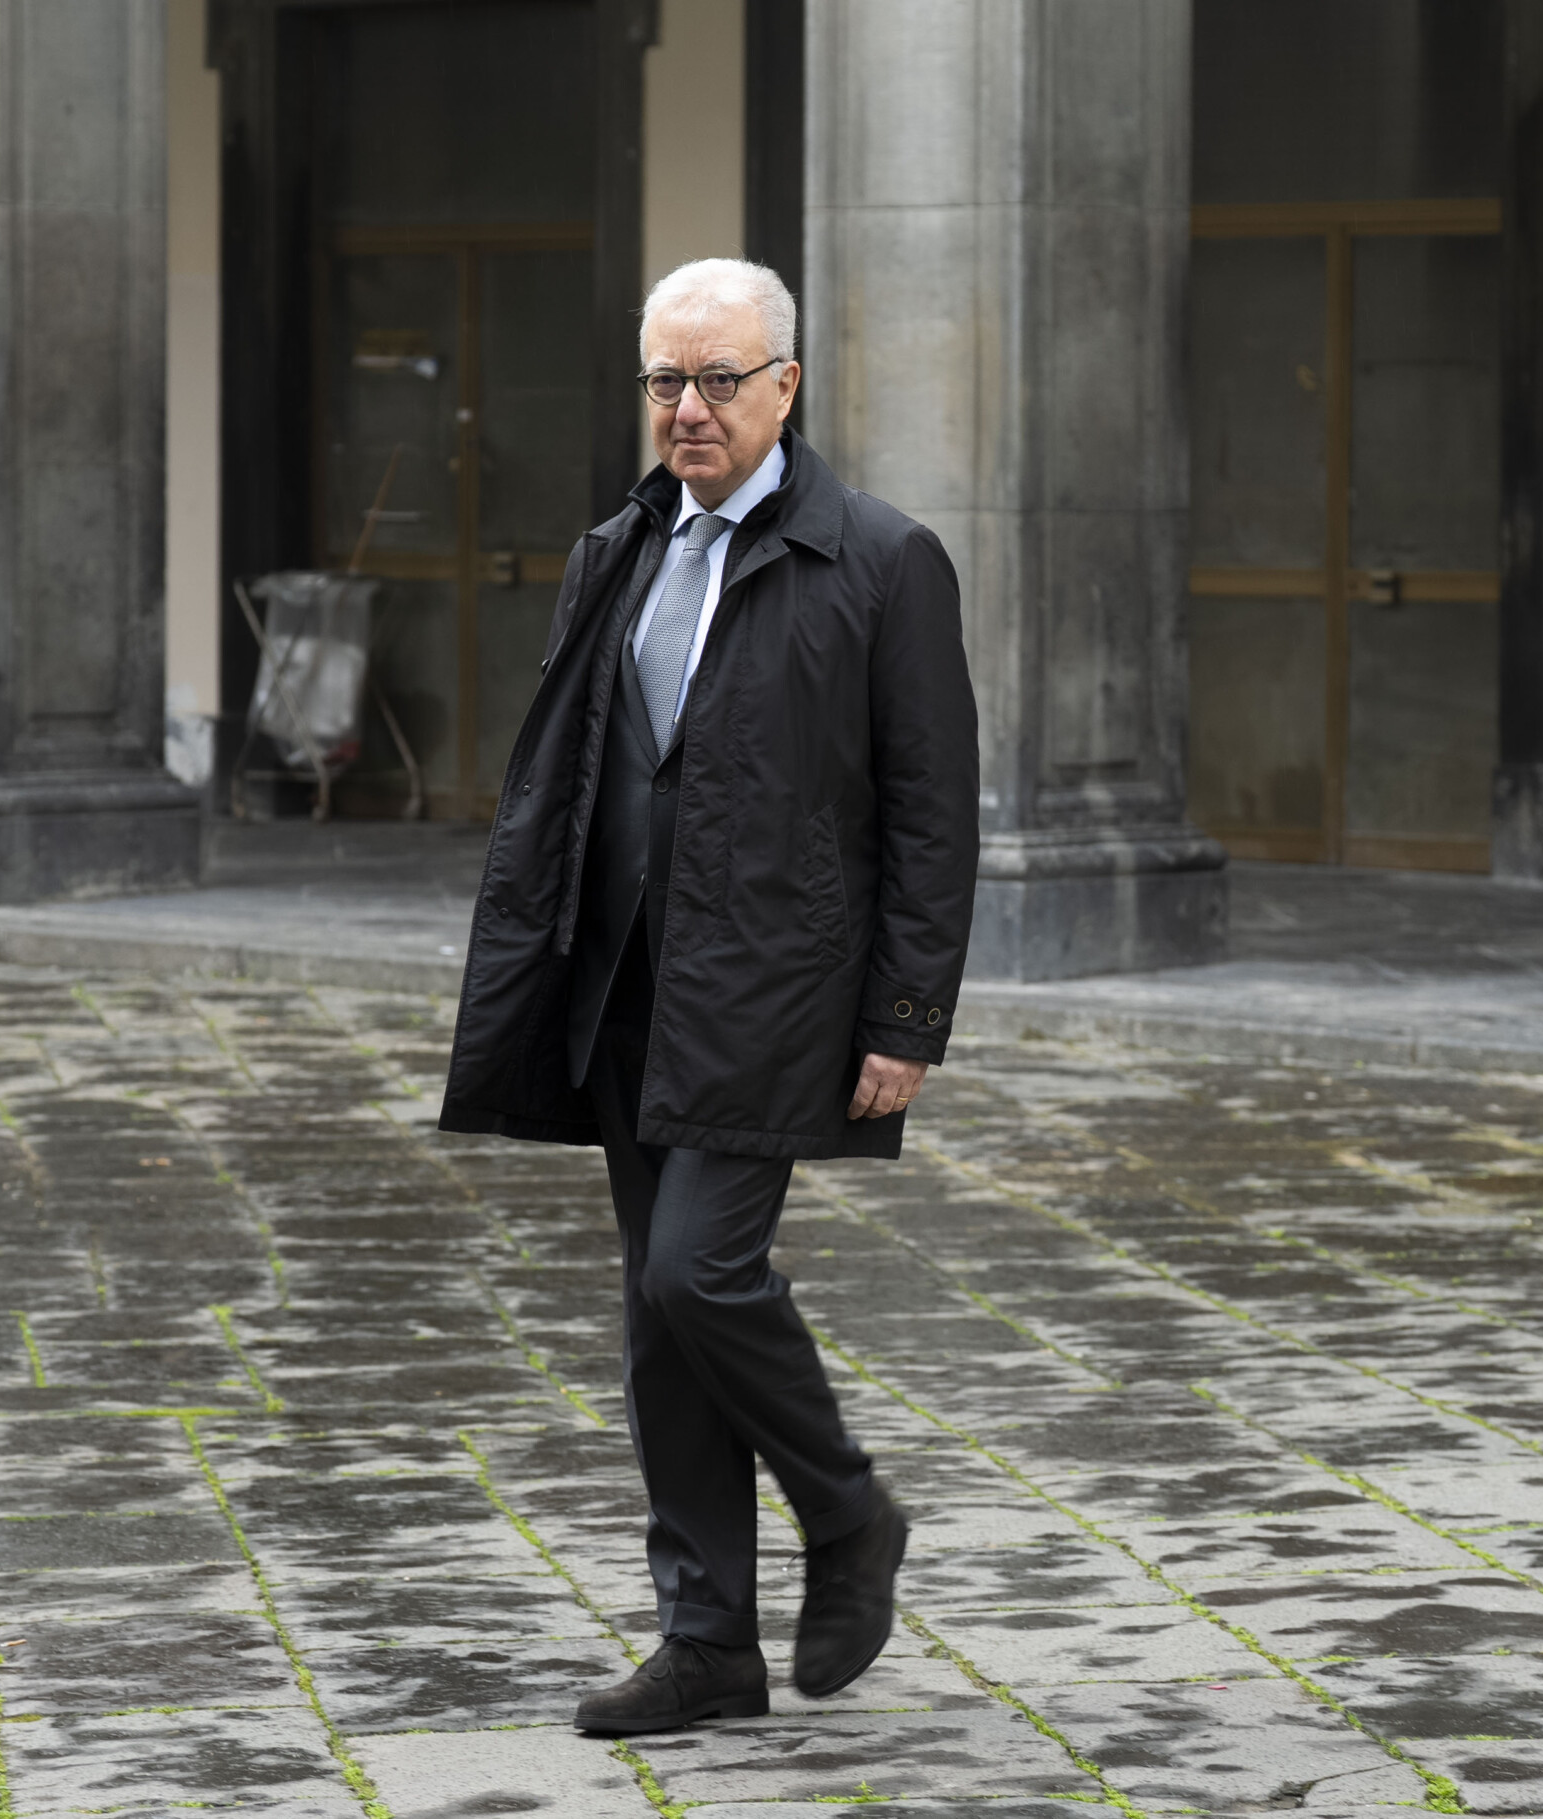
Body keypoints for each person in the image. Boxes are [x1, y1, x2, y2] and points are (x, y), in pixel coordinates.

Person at [437, 258, 979, 1735]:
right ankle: (707, 1639)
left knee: (697, 1272)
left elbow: (933, 813)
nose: (689, 408)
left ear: (785, 387)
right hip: (621, 985)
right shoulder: (612, 550)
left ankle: (848, 1511)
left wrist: (906, 1018)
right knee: (655, 1319)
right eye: (666, 381)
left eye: (719, 380)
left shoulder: (883, 560)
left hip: (780, 990)